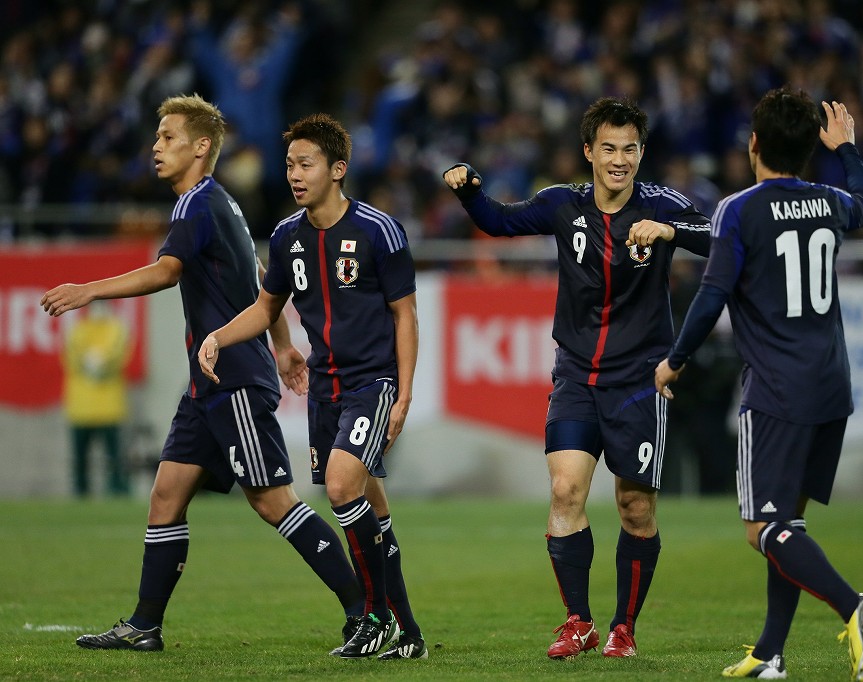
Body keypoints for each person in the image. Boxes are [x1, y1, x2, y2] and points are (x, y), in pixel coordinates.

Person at [40, 94, 364, 653]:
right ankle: (145, 626)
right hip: (206, 384)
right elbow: (261, 275)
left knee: (272, 501)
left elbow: (169, 271)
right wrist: (285, 345)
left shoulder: (198, 204)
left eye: (168, 137)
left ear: (201, 146)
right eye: (158, 137)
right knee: (166, 494)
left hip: (233, 379)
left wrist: (90, 288)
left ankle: (365, 611)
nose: (156, 147)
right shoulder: (219, 205)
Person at [442, 96, 711, 659]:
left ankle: (624, 628)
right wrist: (468, 190)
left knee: (634, 506)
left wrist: (670, 232)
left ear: (642, 152)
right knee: (565, 490)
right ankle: (579, 621)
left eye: (630, 149)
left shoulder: (667, 204)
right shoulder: (563, 204)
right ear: (588, 151)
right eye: (608, 148)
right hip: (575, 375)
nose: (620, 160)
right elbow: (499, 219)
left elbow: (722, 237)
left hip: (641, 379)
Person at [653, 88, 863, 680]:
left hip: (777, 390)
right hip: (831, 384)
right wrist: (849, 150)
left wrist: (675, 359)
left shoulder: (740, 208)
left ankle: (853, 606)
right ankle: (770, 653)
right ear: (811, 147)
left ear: (753, 143)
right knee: (790, 522)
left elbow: (712, 294)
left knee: (763, 526)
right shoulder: (830, 199)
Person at [197, 112, 425, 660]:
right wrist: (219, 337)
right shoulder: (285, 237)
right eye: (290, 164)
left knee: (343, 487)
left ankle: (373, 620)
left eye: (306, 163)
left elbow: (406, 315)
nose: (295, 174)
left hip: (373, 383)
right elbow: (266, 307)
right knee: (370, 509)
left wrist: (405, 393)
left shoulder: (377, 230)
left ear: (337, 169)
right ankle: (409, 633)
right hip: (325, 387)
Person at [62, 300, 132, 497]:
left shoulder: (116, 328)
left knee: (114, 455)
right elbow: (71, 356)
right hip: (81, 406)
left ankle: (117, 489)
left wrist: (102, 363)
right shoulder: (78, 330)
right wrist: (88, 363)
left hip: (109, 406)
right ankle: (80, 490)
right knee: (80, 457)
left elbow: (119, 354)